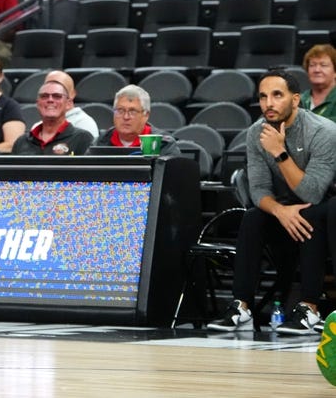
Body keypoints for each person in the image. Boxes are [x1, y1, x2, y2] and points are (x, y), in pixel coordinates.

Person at [208, 69, 336, 334]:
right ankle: (241, 307)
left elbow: (313, 192)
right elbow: (258, 190)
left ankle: (309, 309)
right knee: (253, 216)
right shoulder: (256, 133)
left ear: (295, 99)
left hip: (325, 211)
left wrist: (279, 152)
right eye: (263, 96)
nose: (268, 103)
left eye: (277, 95)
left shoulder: (324, 132)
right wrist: (280, 211)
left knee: (311, 211)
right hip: (285, 213)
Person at [91, 84, 181, 155]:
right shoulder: (99, 142)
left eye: (132, 111)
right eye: (120, 110)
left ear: (146, 115)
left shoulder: (163, 144)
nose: (126, 117)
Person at [11, 80, 94, 156]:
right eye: (44, 96)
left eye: (57, 96)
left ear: (68, 104)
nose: (50, 100)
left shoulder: (82, 138)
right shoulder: (21, 142)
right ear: (37, 103)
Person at [44, 69, 98, 138]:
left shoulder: (84, 124)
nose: (50, 98)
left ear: (72, 94)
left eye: (59, 90)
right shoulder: (38, 125)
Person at [302, 44, 336, 123]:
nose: (317, 70)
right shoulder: (299, 100)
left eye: (323, 65)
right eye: (312, 65)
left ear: (335, 72)